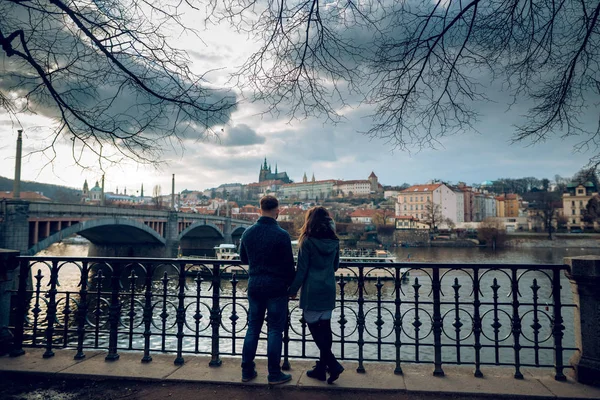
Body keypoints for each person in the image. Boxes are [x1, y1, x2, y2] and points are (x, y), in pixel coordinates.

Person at [239, 195, 295, 385]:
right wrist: (291, 286)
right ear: (277, 210)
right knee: (275, 330)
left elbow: (243, 259)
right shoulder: (282, 235)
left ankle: (247, 370)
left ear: (260, 209)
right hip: (276, 287)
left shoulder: (248, 233)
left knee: (253, 327)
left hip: (255, 284)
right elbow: (289, 266)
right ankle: (274, 373)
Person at [288, 206, 344, 384]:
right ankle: (322, 369)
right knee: (325, 329)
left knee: (314, 328)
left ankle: (332, 364)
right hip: (328, 288)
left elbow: (302, 270)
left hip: (312, 290)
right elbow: (335, 266)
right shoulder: (334, 241)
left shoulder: (307, 242)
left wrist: (292, 290)